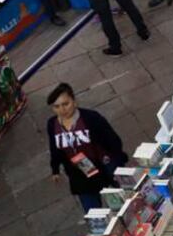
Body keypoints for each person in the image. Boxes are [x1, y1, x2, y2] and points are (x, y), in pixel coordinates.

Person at [47, 83, 128, 211]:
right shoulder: (52, 124)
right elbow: (54, 147)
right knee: (94, 213)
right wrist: (55, 169)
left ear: (74, 102)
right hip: (79, 172)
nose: (62, 109)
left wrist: (116, 160)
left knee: (126, 201)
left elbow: (113, 140)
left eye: (65, 104)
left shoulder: (91, 117)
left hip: (104, 165)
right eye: (56, 106)